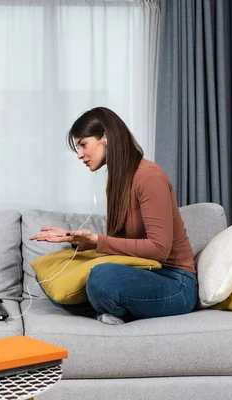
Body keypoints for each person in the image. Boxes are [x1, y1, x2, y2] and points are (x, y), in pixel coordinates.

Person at [29, 106, 197, 325]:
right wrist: (81, 241)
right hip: (140, 270)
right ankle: (110, 309)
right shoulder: (117, 180)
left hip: (174, 282)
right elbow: (122, 247)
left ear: (105, 137)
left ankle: (108, 308)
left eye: (83, 144)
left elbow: (159, 249)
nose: (79, 154)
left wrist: (97, 241)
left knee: (103, 278)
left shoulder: (149, 177)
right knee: (51, 271)